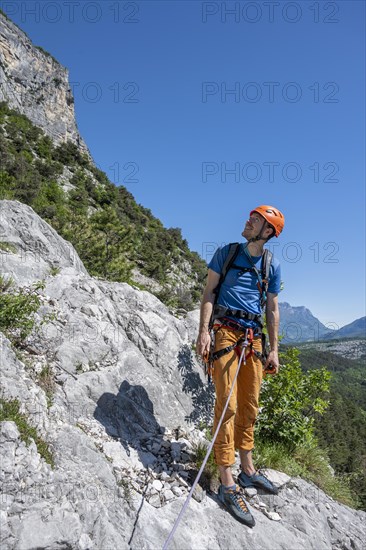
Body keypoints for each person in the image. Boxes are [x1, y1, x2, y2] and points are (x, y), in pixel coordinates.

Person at [196, 205, 285, 527]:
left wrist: (274, 349)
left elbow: (272, 310)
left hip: (254, 338)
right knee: (228, 406)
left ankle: (248, 471)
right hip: (225, 333)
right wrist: (204, 331)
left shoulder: (271, 266)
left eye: (256, 220)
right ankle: (227, 481)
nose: (248, 222)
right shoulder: (227, 254)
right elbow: (208, 293)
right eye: (251, 218)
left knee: (249, 406)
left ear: (267, 232)